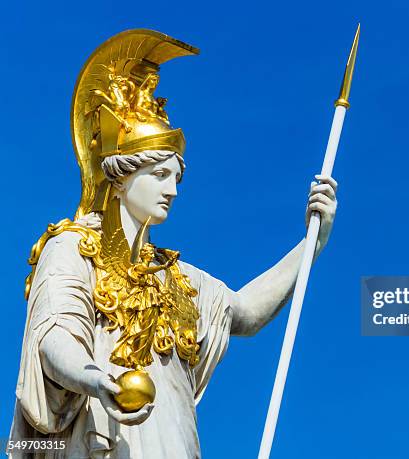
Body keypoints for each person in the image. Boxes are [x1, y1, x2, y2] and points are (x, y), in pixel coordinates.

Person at [9, 30, 338, 458]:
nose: (174, 190)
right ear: (122, 176)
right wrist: (95, 379)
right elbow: (53, 335)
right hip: (101, 427)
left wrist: (312, 242)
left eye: (177, 177)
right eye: (161, 175)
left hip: (173, 438)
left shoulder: (176, 278)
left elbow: (244, 312)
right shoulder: (74, 248)